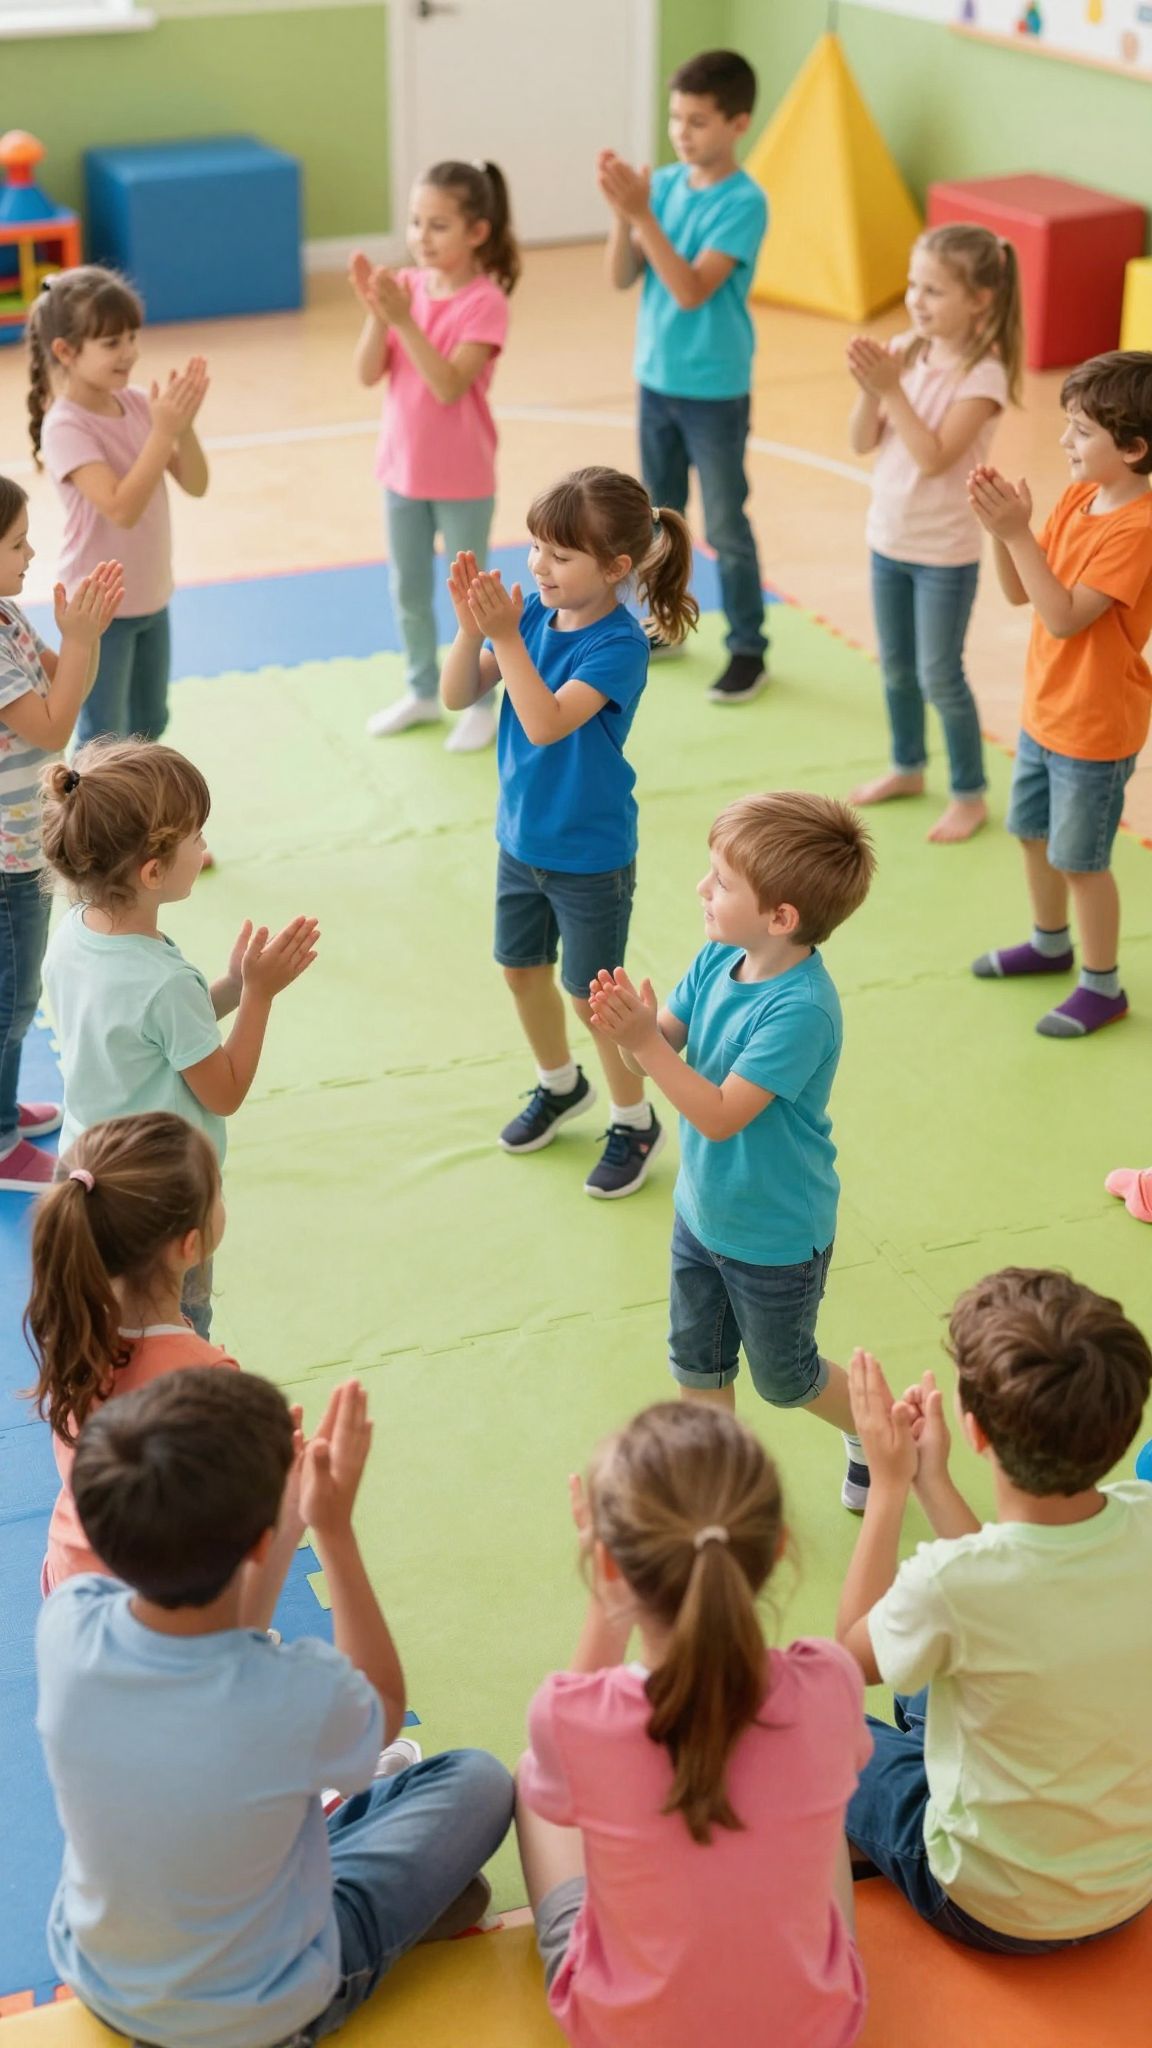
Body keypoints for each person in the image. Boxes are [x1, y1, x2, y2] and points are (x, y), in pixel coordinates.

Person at [36, 1369, 515, 2046]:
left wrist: (282, 1520)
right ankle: (386, 1917)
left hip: (102, 1977)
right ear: (257, 1548)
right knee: (479, 1780)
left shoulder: (68, 1625)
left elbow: (215, 1639)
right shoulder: (288, 1695)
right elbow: (379, 1707)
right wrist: (332, 1531)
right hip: (264, 2010)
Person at [516, 1400, 870, 2048]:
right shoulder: (831, 1683)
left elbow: (574, 1722)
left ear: (608, 1566)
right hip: (816, 2031)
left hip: (626, 2035)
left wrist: (608, 1591)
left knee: (535, 1786)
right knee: (819, 1802)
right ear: (779, 1548)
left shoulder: (571, 1717)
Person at [837, 1269, 1152, 1951]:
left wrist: (889, 1488)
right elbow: (1018, 1580)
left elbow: (846, 1659)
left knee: (813, 1722)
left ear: (974, 1432)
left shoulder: (949, 1586)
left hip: (987, 1904)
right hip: (1129, 1887)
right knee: (932, 1676)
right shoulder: (1145, 1519)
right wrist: (932, 1480)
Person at [588, 792, 876, 1509]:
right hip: (702, 1212)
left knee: (786, 1378)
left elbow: (718, 1115)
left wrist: (644, 1043)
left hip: (776, 1234)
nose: (701, 889)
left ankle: (878, 1431)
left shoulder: (801, 1010)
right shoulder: (719, 956)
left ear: (781, 918)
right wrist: (626, 1032)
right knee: (698, 1362)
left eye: (720, 882)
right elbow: (654, 1062)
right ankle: (717, 1499)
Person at [441, 465, 698, 1199]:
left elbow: (547, 723)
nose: (539, 567)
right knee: (520, 971)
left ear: (615, 568)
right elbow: (461, 693)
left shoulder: (618, 645)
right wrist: (472, 634)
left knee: (595, 999)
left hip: (590, 853)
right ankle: (560, 1086)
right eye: (536, 548)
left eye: (560, 555)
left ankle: (633, 1118)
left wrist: (505, 639)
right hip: (521, 839)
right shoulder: (526, 618)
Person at [39, 740, 319, 1335]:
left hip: (90, 1170)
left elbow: (153, 1036)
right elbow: (224, 1092)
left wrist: (234, 987)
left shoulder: (74, 934)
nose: (204, 849)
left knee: (104, 1329)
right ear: (153, 872)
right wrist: (262, 997)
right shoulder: (164, 982)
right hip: (158, 1200)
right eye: (196, 839)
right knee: (172, 1333)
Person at [968, 350, 1152, 1035]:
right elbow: (1024, 590)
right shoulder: (1079, 496)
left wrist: (1017, 531)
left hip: (1095, 726)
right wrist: (1002, 533)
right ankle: (1050, 944)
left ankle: (1102, 987)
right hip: (1045, 710)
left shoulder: (1138, 529)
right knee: (1032, 836)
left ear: (1133, 449)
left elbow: (1066, 616)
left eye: (1080, 431)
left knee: (1082, 861)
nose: (1063, 441)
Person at [597, 49, 769, 703]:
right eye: (676, 118)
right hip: (656, 381)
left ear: (737, 123)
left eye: (698, 121)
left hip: (715, 391)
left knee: (725, 524)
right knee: (658, 521)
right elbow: (621, 277)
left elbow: (693, 289)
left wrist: (642, 216)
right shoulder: (663, 187)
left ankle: (749, 646)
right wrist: (624, 214)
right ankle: (668, 624)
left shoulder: (745, 203)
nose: (682, 132)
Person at [847, 224, 1023, 843]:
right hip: (887, 538)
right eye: (914, 286)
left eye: (935, 290)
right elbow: (860, 441)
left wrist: (890, 387)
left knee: (939, 674)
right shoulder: (908, 350)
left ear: (979, 300)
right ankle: (907, 765)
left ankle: (969, 792)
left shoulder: (983, 378)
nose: (917, 301)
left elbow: (932, 456)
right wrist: (873, 392)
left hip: (943, 554)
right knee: (895, 667)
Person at [26, 1112, 237, 1591]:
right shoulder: (209, 1376)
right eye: (218, 1191)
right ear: (191, 1245)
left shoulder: (70, 1325)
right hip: (150, 1603)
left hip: (71, 1579)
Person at [351, 160, 519, 751]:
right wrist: (380, 315)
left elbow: (449, 385)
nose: (421, 236)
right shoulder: (408, 290)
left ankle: (481, 700)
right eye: (416, 221)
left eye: (439, 224)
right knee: (409, 588)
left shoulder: (484, 302)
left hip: (463, 476)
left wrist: (404, 319)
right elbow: (367, 372)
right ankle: (423, 690)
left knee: (473, 600)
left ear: (476, 231)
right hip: (401, 470)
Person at [0, 472, 123, 1195]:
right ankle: (1, 1141)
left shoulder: (8, 616)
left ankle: (3, 1109)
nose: (31, 552)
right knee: (12, 1001)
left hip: (21, 842)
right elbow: (52, 727)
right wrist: (77, 644)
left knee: (16, 994)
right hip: (5, 854)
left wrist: (87, 638)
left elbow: (58, 679)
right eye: (16, 543)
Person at [27, 265, 209, 749]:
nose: (129, 351)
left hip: (151, 592)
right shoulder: (66, 426)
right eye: (111, 343)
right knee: (103, 734)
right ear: (66, 351)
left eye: (132, 336)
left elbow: (196, 483)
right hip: (99, 610)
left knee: (151, 720)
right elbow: (120, 507)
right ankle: (91, 823)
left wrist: (182, 427)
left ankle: (138, 815)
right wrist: (164, 431)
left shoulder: (135, 404)